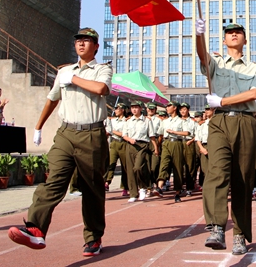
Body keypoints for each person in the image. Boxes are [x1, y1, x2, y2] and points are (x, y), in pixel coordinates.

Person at [8, 27, 112, 256]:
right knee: (54, 181)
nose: (81, 44)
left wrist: (73, 78)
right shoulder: (64, 72)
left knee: (92, 189)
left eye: (87, 41)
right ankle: (35, 229)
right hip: (66, 133)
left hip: (91, 135)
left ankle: (93, 237)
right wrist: (38, 126)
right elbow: (52, 99)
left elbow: (102, 89)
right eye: (78, 41)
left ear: (96, 46)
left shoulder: (101, 70)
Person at [196, 20, 256, 255]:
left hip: (246, 122)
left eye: (238, 33)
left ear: (245, 40)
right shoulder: (216, 62)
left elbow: (254, 93)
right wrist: (199, 35)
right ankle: (216, 226)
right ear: (224, 40)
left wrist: (223, 100)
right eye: (229, 33)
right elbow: (202, 55)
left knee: (243, 180)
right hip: (219, 122)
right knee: (216, 171)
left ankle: (239, 235)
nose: (233, 35)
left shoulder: (255, 68)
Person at [122, 100, 157, 203]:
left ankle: (142, 187)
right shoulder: (128, 121)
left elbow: (151, 136)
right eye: (132, 107)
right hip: (130, 145)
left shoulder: (147, 121)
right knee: (130, 170)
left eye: (136, 107)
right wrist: (130, 139)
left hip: (142, 145)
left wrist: (155, 148)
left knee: (138, 167)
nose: (134, 109)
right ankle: (133, 194)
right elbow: (124, 135)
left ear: (141, 109)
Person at [156, 101, 188, 203]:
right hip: (166, 143)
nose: (167, 108)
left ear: (174, 108)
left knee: (177, 167)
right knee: (164, 164)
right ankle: (159, 187)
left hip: (177, 143)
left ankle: (178, 192)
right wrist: (158, 146)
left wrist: (174, 132)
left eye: (169, 106)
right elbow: (161, 135)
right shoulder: (165, 121)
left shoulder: (182, 121)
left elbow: (187, 132)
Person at [104, 103, 131, 197]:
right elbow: (107, 125)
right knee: (111, 163)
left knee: (125, 166)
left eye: (117, 108)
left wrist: (113, 131)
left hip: (123, 143)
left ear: (122, 110)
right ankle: (107, 182)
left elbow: (124, 133)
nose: (115, 110)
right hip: (114, 143)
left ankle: (125, 187)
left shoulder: (127, 121)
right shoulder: (113, 120)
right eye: (115, 109)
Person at [180, 102, 198, 195]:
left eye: (185, 109)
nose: (183, 111)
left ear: (188, 110)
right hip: (179, 144)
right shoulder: (177, 121)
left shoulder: (192, 122)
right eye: (181, 109)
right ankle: (179, 187)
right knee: (179, 166)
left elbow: (197, 134)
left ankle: (189, 188)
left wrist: (191, 141)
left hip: (189, 144)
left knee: (190, 166)